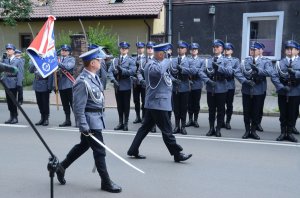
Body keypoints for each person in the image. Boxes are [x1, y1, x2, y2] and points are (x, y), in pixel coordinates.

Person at [55, 48, 122, 193]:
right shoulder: (82, 81)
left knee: (83, 146)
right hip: (90, 122)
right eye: (99, 60)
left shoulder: (94, 76)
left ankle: (61, 167)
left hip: (96, 119)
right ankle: (106, 182)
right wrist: (83, 126)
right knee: (100, 151)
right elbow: (78, 107)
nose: (102, 62)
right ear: (92, 63)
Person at [127, 43, 192, 162]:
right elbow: (158, 72)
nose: (168, 54)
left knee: (144, 128)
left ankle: (133, 149)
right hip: (158, 104)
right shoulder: (152, 65)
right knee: (167, 130)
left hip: (159, 103)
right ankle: (177, 154)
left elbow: (166, 77)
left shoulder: (159, 64)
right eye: (166, 52)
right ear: (161, 53)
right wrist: (168, 60)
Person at [237, 42, 274, 140]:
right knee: (246, 111)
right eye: (251, 49)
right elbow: (237, 72)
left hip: (258, 90)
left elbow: (271, 72)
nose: (252, 51)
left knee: (256, 111)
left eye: (254, 50)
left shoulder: (265, 61)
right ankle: (246, 130)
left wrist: (258, 70)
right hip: (247, 89)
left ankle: (253, 131)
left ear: (260, 51)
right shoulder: (245, 61)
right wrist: (245, 81)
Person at [271, 40, 299, 142]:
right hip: (283, 91)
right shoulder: (280, 62)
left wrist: (295, 73)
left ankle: (290, 133)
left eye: (292, 49)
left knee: (292, 113)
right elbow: (274, 76)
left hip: (295, 92)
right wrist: (281, 87)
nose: (289, 51)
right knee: (283, 113)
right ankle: (283, 133)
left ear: (297, 51)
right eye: (287, 49)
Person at [204, 39, 232, 137]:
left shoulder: (226, 60)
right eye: (214, 47)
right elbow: (201, 72)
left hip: (221, 88)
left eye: (217, 47)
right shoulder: (208, 60)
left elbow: (230, 72)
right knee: (211, 109)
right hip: (210, 87)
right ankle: (211, 128)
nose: (215, 48)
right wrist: (207, 81)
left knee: (221, 110)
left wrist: (219, 67)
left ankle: (218, 129)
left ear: (222, 49)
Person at [171, 40, 196, 135]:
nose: (179, 49)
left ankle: (183, 126)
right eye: (178, 48)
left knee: (183, 108)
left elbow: (193, 71)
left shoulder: (189, 60)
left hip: (184, 86)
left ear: (185, 50)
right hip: (175, 87)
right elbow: (169, 72)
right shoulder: (173, 60)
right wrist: (173, 79)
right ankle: (177, 126)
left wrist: (183, 69)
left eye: (182, 48)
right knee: (176, 108)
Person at [108, 41, 135, 131]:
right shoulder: (115, 60)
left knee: (126, 105)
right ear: (120, 49)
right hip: (117, 85)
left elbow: (132, 71)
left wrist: (122, 70)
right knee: (119, 105)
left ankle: (126, 123)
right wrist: (113, 80)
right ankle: (120, 122)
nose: (123, 50)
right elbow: (110, 71)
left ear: (127, 50)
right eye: (122, 48)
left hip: (126, 84)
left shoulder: (131, 60)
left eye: (125, 49)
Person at [2, 43, 23, 124]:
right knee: (9, 101)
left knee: (14, 101)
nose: (8, 50)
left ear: (14, 51)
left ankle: (15, 117)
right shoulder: (5, 60)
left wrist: (19, 84)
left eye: (10, 49)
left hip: (14, 82)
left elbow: (20, 73)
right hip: (7, 82)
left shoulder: (18, 61)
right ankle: (11, 116)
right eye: (7, 49)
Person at [56, 44, 76, 127]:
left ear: (69, 52)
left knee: (72, 103)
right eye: (62, 50)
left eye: (65, 50)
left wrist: (57, 63)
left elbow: (67, 67)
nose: (63, 52)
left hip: (69, 83)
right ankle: (67, 120)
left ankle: (78, 120)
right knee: (65, 104)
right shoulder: (58, 59)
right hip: (60, 84)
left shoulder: (71, 59)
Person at [29, 60, 53, 126]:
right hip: (37, 83)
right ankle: (42, 118)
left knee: (45, 103)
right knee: (39, 103)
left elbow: (50, 75)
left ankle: (46, 119)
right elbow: (30, 71)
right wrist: (34, 62)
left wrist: (49, 87)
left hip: (44, 83)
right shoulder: (35, 61)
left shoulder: (47, 62)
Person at [186, 42, 204, 128]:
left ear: (197, 51)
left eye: (195, 49)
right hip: (189, 84)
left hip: (197, 84)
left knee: (196, 103)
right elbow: (185, 70)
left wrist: (192, 71)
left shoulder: (201, 60)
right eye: (192, 49)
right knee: (189, 103)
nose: (194, 51)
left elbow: (202, 71)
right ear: (190, 51)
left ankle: (196, 120)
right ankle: (190, 119)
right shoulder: (187, 60)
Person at [222, 42, 239, 130]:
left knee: (229, 105)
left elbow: (235, 71)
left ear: (232, 51)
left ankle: (228, 121)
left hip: (230, 85)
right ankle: (221, 121)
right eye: (225, 49)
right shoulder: (220, 59)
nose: (226, 51)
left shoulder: (235, 60)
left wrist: (228, 71)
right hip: (221, 84)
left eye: (228, 49)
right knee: (221, 105)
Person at [132, 41, 146, 124]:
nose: (139, 49)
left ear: (143, 49)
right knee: (136, 100)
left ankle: (144, 117)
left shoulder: (146, 58)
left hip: (143, 82)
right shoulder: (133, 58)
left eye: (141, 48)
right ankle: (138, 116)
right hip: (135, 83)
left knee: (144, 100)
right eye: (138, 48)